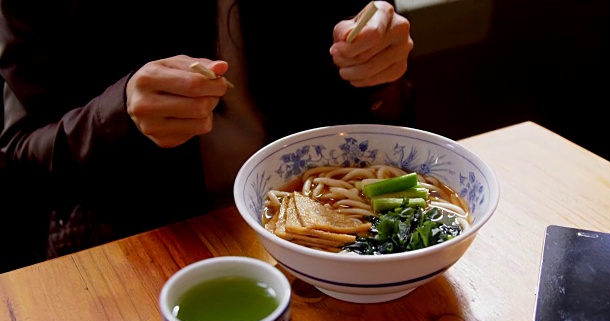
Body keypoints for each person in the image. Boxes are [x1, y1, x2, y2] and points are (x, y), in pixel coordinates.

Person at [0, 1, 415, 270]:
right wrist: (119, 113)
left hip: (317, 231)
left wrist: (380, 64)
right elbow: (19, 158)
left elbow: (375, 102)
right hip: (138, 245)